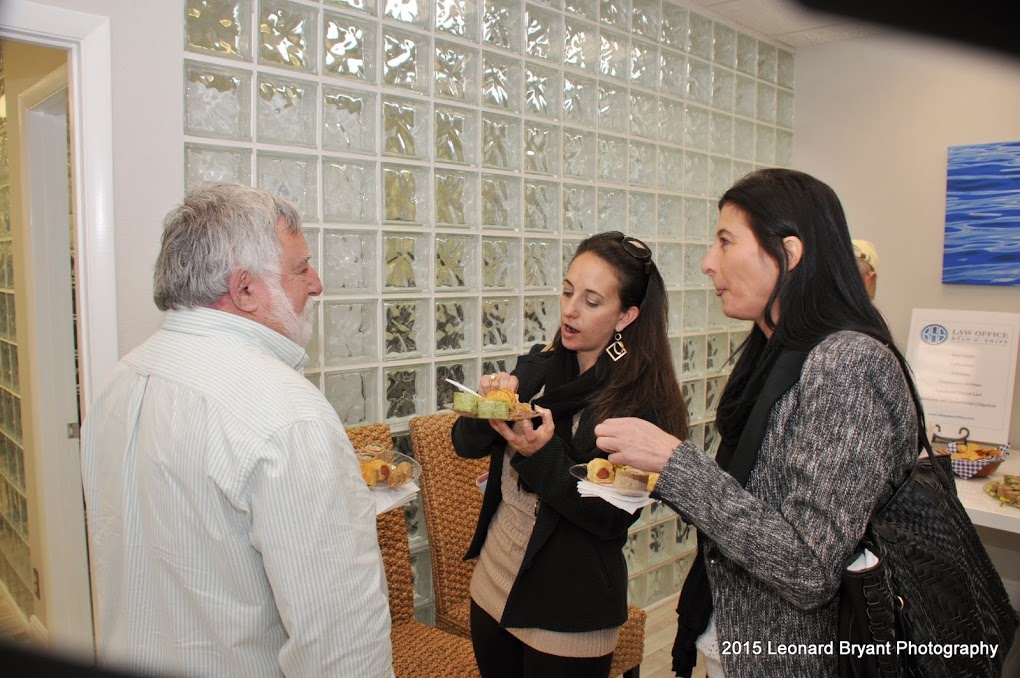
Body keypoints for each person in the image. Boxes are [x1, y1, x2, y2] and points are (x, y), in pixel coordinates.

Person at [595, 169, 922, 677]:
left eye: (725, 241)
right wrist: (656, 472)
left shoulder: (848, 365)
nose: (708, 263)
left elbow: (809, 567)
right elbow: (751, 501)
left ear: (788, 254)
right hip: (733, 641)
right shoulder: (777, 351)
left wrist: (676, 463)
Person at [80, 183, 393, 678]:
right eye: (301, 268)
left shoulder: (121, 379)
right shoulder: (289, 416)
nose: (316, 284)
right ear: (244, 289)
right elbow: (342, 648)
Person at [451, 232, 689, 678]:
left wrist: (540, 455)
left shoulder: (643, 405)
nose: (570, 310)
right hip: (493, 583)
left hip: (568, 610)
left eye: (592, 301)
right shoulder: (541, 365)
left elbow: (610, 517)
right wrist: (488, 408)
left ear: (626, 316)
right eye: (567, 291)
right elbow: (464, 445)